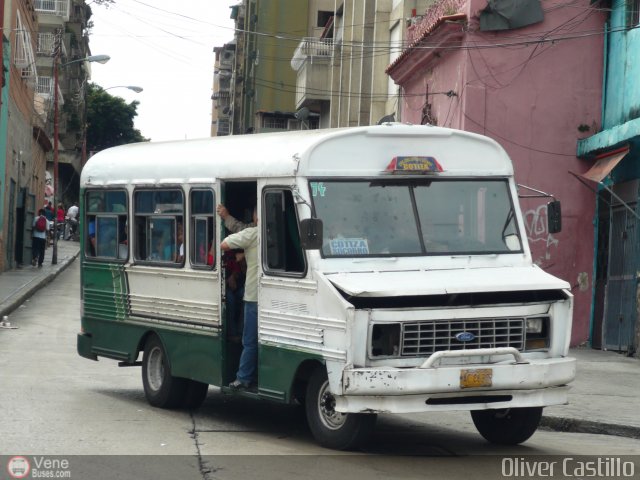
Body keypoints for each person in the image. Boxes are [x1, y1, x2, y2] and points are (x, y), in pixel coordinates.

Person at [221, 207, 258, 390]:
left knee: (249, 341)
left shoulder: (252, 233)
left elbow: (225, 244)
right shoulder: (275, 232)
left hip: (254, 297)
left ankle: (243, 378)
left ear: (255, 216)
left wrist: (244, 252)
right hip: (272, 296)